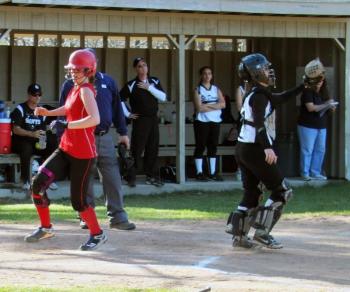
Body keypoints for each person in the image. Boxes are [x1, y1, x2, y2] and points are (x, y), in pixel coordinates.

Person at [24, 49, 107, 251]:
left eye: (78, 70)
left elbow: (95, 119)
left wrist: (67, 125)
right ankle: (46, 228)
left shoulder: (86, 90)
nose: (73, 73)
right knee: (38, 183)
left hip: (83, 155)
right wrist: (49, 112)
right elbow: (69, 109)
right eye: (72, 69)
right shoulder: (74, 88)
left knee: (78, 203)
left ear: (89, 70)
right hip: (66, 148)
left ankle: (97, 234)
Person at [225, 53, 304, 249]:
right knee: (282, 190)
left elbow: (281, 97)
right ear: (255, 73)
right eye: (266, 68)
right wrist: (267, 148)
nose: (269, 71)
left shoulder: (257, 94)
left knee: (252, 192)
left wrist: (304, 86)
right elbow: (259, 124)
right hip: (255, 149)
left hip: (243, 149)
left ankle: (239, 235)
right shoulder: (259, 96)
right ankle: (262, 231)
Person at [59, 48, 136, 231]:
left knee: (112, 176)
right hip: (81, 137)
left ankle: (118, 217)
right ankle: (87, 216)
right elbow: (64, 111)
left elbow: (117, 108)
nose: (78, 69)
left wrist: (123, 132)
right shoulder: (70, 84)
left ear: (93, 63)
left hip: (104, 136)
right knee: (84, 177)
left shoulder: (108, 81)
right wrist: (62, 136)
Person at [120, 57, 166, 187]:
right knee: (137, 148)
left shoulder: (154, 81)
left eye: (145, 65)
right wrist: (128, 114)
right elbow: (119, 99)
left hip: (153, 118)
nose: (143, 68)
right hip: (140, 120)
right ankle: (131, 176)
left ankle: (152, 176)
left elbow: (163, 97)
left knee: (153, 147)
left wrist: (149, 88)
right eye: (140, 66)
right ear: (136, 69)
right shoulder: (131, 85)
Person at [10, 83, 58, 190]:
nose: (37, 97)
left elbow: (50, 123)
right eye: (34, 94)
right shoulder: (20, 109)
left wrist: (46, 134)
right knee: (26, 148)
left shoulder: (42, 110)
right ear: (28, 95)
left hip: (37, 141)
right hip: (21, 141)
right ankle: (25, 180)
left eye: (39, 94)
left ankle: (47, 179)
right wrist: (31, 133)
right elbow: (15, 129)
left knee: (53, 143)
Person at [297, 58, 336, 181]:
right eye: (318, 81)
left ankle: (315, 172)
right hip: (307, 125)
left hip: (321, 125)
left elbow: (327, 108)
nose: (319, 83)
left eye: (321, 81)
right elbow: (311, 108)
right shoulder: (307, 91)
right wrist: (326, 105)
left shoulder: (324, 92)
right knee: (307, 149)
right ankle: (305, 173)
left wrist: (331, 106)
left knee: (320, 149)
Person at [193, 66, 226, 181]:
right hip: (202, 121)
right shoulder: (198, 89)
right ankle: (199, 172)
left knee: (213, 146)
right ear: (201, 75)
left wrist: (207, 105)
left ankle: (212, 172)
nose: (207, 76)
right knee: (201, 146)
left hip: (215, 121)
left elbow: (223, 104)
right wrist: (215, 106)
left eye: (209, 73)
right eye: (205, 74)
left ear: (212, 76)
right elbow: (199, 108)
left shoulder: (216, 89)